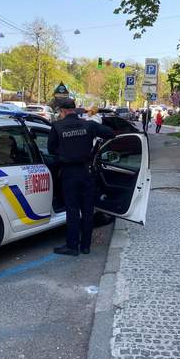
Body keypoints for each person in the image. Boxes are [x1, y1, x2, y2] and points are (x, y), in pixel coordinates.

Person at [48, 98, 115, 256]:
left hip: (69, 173)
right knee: (87, 210)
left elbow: (51, 149)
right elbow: (110, 134)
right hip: (87, 172)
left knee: (72, 210)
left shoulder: (57, 126)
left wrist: (64, 153)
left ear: (63, 111)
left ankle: (72, 246)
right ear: (74, 109)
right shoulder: (89, 125)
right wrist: (95, 148)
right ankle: (86, 246)